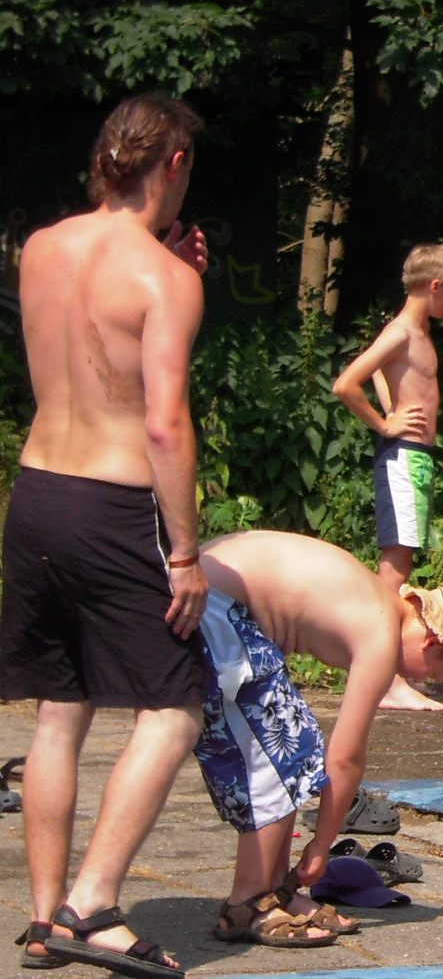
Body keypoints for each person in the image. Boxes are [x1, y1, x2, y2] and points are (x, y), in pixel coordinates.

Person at [4, 93, 208, 978]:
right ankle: (92, 904)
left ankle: (43, 918)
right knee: (174, 708)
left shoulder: (40, 247)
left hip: (37, 491)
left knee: (60, 710)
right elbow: (162, 421)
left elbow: (89, 344)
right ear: (174, 164)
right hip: (114, 505)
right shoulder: (167, 280)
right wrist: (186, 552)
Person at [194, 532, 443, 948]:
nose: (427, 681)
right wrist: (321, 846)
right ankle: (249, 902)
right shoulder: (380, 634)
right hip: (210, 601)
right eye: (442, 675)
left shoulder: (375, 603)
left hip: (215, 592)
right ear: (433, 642)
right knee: (278, 751)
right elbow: (347, 758)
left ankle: (276, 890)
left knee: (294, 744)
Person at [332, 242, 443, 713]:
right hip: (403, 455)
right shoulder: (402, 331)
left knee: (400, 559)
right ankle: (382, 675)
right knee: (395, 566)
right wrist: (385, 424)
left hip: (416, 457)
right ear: (435, 286)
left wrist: (390, 404)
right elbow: (346, 383)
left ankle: (382, 670)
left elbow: (380, 376)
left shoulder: (415, 331)